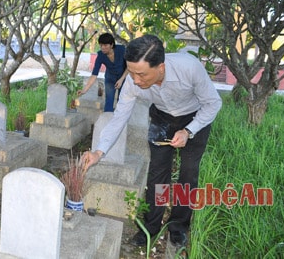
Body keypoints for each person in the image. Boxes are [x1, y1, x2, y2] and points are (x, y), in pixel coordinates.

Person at [82, 34, 222, 248]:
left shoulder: (189, 68)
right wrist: (99, 152)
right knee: (157, 173)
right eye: (132, 72)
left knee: (188, 172)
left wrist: (188, 131)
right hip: (162, 117)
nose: (135, 81)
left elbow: (213, 104)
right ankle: (151, 227)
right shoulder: (132, 82)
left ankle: (178, 226)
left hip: (195, 118)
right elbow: (119, 117)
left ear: (161, 67)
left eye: (141, 74)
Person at [77, 32, 128, 112]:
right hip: (110, 78)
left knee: (122, 101)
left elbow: (129, 66)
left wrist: (121, 80)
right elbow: (94, 75)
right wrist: (85, 90)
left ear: (111, 45)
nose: (103, 48)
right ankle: (107, 119)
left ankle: (119, 121)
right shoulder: (100, 55)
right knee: (109, 100)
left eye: (105, 45)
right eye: (101, 45)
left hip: (124, 77)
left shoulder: (122, 50)